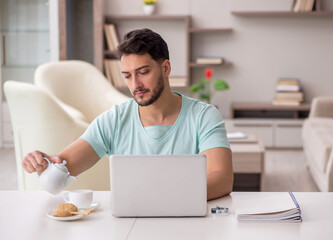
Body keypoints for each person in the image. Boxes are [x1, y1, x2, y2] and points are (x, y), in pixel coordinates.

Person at [22, 28, 233, 200]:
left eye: (143, 73)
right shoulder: (114, 120)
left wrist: (157, 197)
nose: (135, 85)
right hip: (129, 225)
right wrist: (45, 165)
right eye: (127, 76)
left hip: (190, 225)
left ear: (166, 68)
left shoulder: (204, 116)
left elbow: (221, 178)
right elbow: (62, 169)